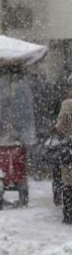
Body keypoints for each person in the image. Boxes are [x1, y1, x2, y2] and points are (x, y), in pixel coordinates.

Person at [53, 86, 72, 224]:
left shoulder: (67, 104)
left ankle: (68, 215)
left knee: (68, 181)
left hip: (70, 144)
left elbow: (60, 126)